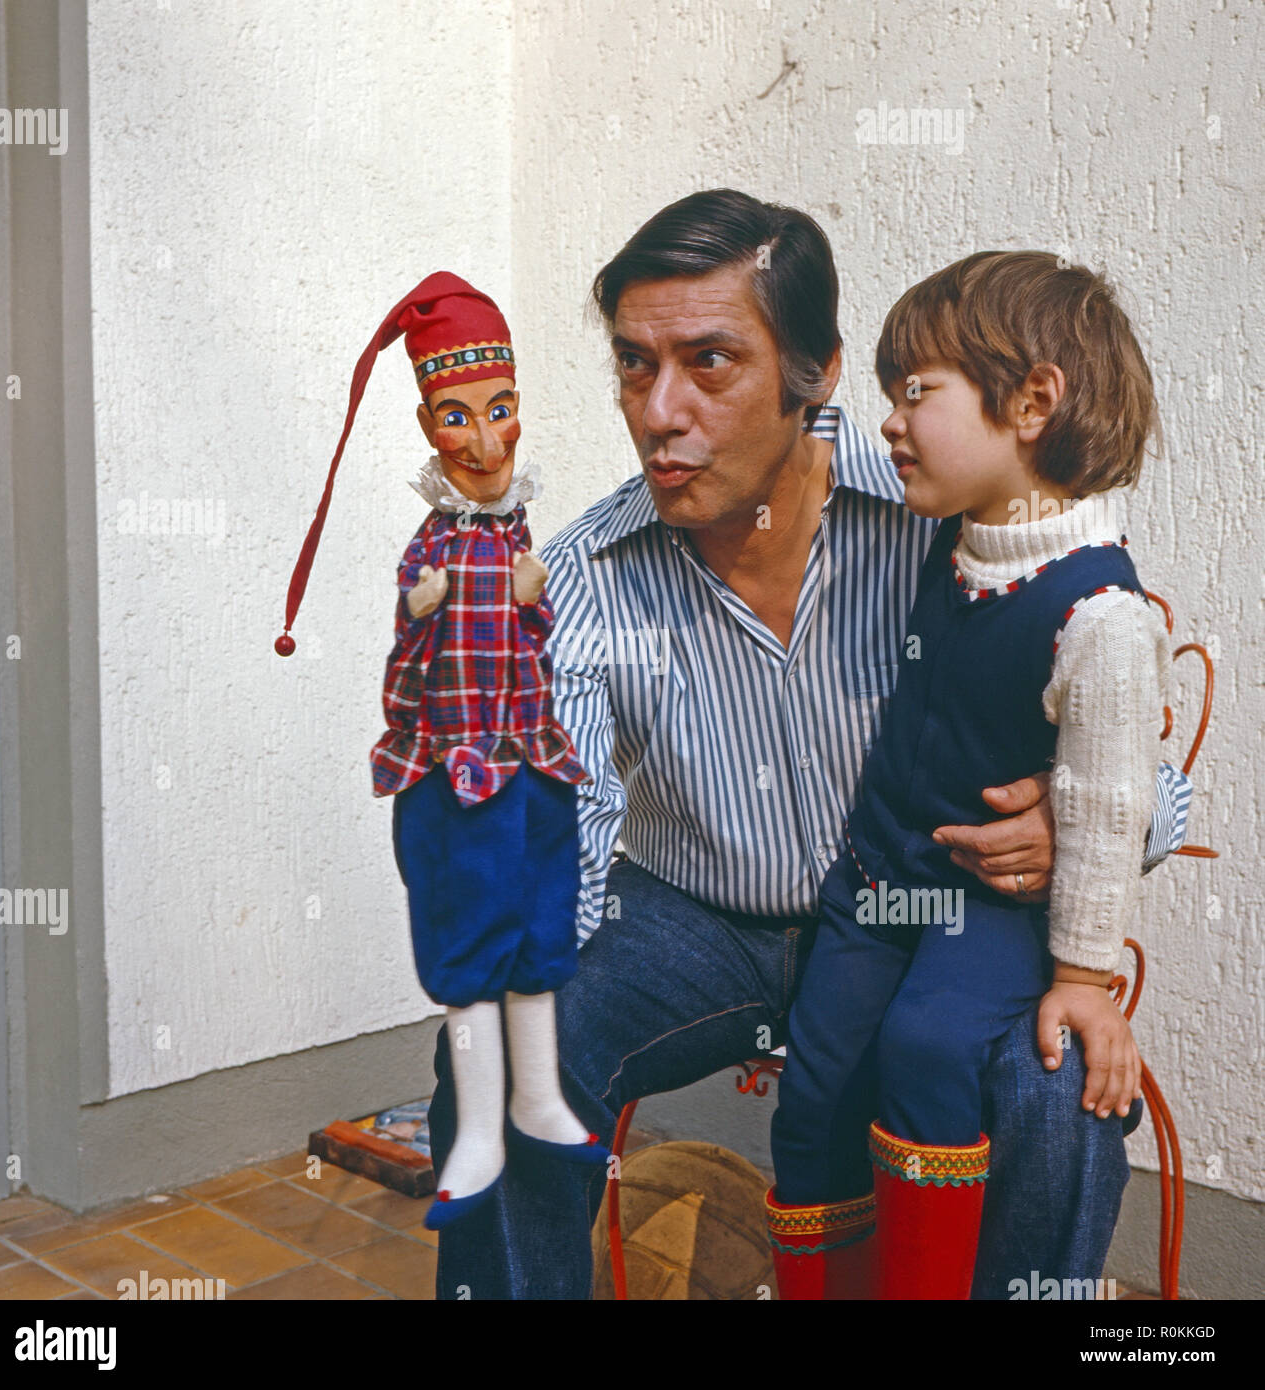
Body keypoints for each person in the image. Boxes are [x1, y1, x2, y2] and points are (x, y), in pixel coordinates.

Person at [426, 191, 1191, 1300]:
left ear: (818, 372)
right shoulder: (587, 573)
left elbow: (1119, 746)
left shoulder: (950, 508)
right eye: (635, 367)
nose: (659, 410)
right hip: (700, 927)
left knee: (1055, 1071)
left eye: (711, 361)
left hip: (917, 907)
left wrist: (1074, 822)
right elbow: (575, 831)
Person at [767, 250, 1169, 1299]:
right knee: (813, 1081)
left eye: (914, 393)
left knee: (929, 1043)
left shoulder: (1099, 616)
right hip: (875, 880)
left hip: (980, 904)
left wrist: (1082, 980)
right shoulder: (946, 537)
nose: (889, 421)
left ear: (1033, 400)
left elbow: (1108, 798)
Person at [274, 273, 608, 1234]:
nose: (488, 438)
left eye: (502, 410)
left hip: (534, 765)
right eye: (462, 417)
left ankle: (539, 1101)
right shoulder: (428, 549)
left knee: (541, 939)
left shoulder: (519, 531)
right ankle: (480, 1136)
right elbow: (406, 674)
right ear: (431, 428)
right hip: (452, 776)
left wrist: (533, 594)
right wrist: (419, 615)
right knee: (466, 954)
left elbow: (531, 646)